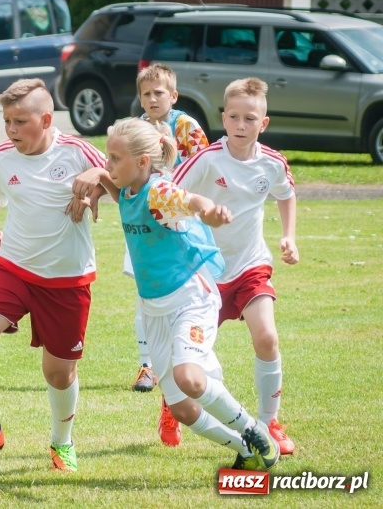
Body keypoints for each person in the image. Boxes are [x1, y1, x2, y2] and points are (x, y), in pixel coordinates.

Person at [74, 117, 280, 471]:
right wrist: (100, 175)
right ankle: (245, 449)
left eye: (115, 158)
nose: (108, 164)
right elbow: (117, 191)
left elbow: (192, 201)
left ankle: (254, 429)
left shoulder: (158, 192)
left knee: (190, 378)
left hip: (190, 298)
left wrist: (209, 211)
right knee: (182, 408)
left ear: (142, 161)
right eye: (108, 157)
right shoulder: (129, 190)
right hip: (154, 309)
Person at [0, 78, 118, 472]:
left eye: (20, 122)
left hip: (67, 280)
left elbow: (125, 180)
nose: (11, 130)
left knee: (58, 374)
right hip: (14, 268)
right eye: (7, 121)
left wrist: (98, 175)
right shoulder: (3, 156)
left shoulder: (76, 151)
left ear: (45, 120)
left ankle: (62, 442)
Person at [171, 77, 298, 455]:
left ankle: (269, 422)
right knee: (189, 359)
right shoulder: (207, 159)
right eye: (234, 117)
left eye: (250, 119)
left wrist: (289, 236)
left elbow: (287, 193)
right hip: (204, 274)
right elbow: (169, 194)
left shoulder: (272, 163)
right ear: (223, 118)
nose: (241, 125)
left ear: (264, 123)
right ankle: (171, 402)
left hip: (250, 267)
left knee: (267, 337)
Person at [128, 63, 211, 396]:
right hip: (143, 220)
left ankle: (188, 354)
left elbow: (204, 166)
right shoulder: (135, 129)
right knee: (143, 291)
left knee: (181, 290)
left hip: (177, 222)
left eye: (159, 93)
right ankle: (147, 364)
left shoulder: (186, 126)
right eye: (146, 94)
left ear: (173, 95)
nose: (152, 99)